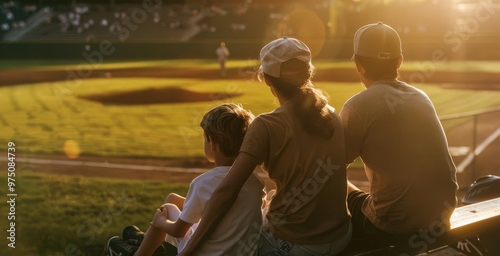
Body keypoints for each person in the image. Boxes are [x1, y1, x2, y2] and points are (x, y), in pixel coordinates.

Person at [179, 37, 352, 256]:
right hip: (340, 235)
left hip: (294, 244)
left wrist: (189, 251)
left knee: (231, 234)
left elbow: (226, 192)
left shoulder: (267, 125)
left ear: (267, 79)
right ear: (308, 74)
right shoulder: (331, 116)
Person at [339, 22, 458, 245]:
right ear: (399, 61)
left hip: (394, 227)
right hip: (440, 219)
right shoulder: (421, 97)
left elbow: (330, 169)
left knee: (340, 187)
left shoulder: (357, 106)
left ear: (359, 64)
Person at [106, 103, 264, 256]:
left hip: (205, 251)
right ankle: (149, 240)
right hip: (237, 249)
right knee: (173, 199)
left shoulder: (202, 184)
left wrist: (159, 222)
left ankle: (141, 252)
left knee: (167, 209)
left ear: (212, 143)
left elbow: (178, 231)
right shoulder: (256, 183)